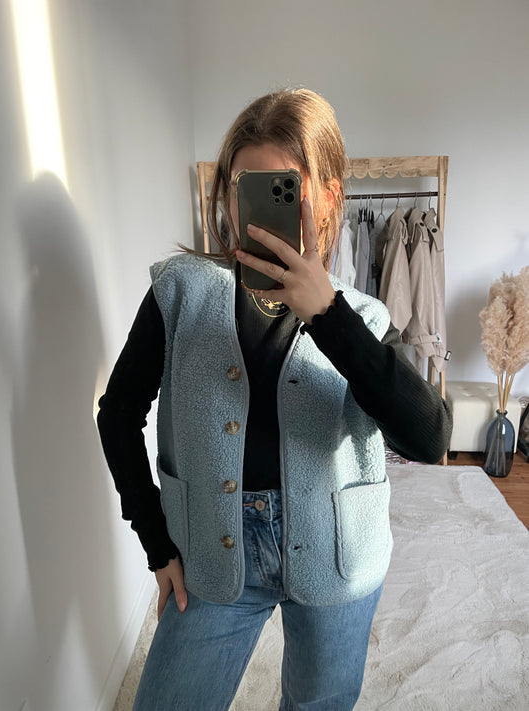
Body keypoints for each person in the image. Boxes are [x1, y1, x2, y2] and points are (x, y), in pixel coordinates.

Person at [97, 88, 452, 711]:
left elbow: (430, 439)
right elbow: (118, 415)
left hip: (338, 555)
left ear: (328, 196)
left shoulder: (364, 317)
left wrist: (328, 315)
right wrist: (156, 543)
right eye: (246, 188)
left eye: (283, 189)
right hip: (213, 549)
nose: (258, 213)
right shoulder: (180, 294)